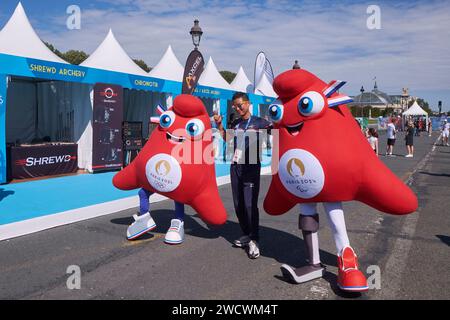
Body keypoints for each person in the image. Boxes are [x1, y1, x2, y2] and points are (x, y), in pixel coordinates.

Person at [214, 92, 272, 259]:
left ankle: (254, 239)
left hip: (251, 167)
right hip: (236, 167)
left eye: (240, 105)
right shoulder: (236, 123)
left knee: (249, 205)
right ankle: (246, 233)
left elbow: (277, 131)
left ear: (248, 104)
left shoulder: (260, 122)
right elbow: (228, 139)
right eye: (235, 106)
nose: (238, 108)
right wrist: (219, 126)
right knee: (238, 204)